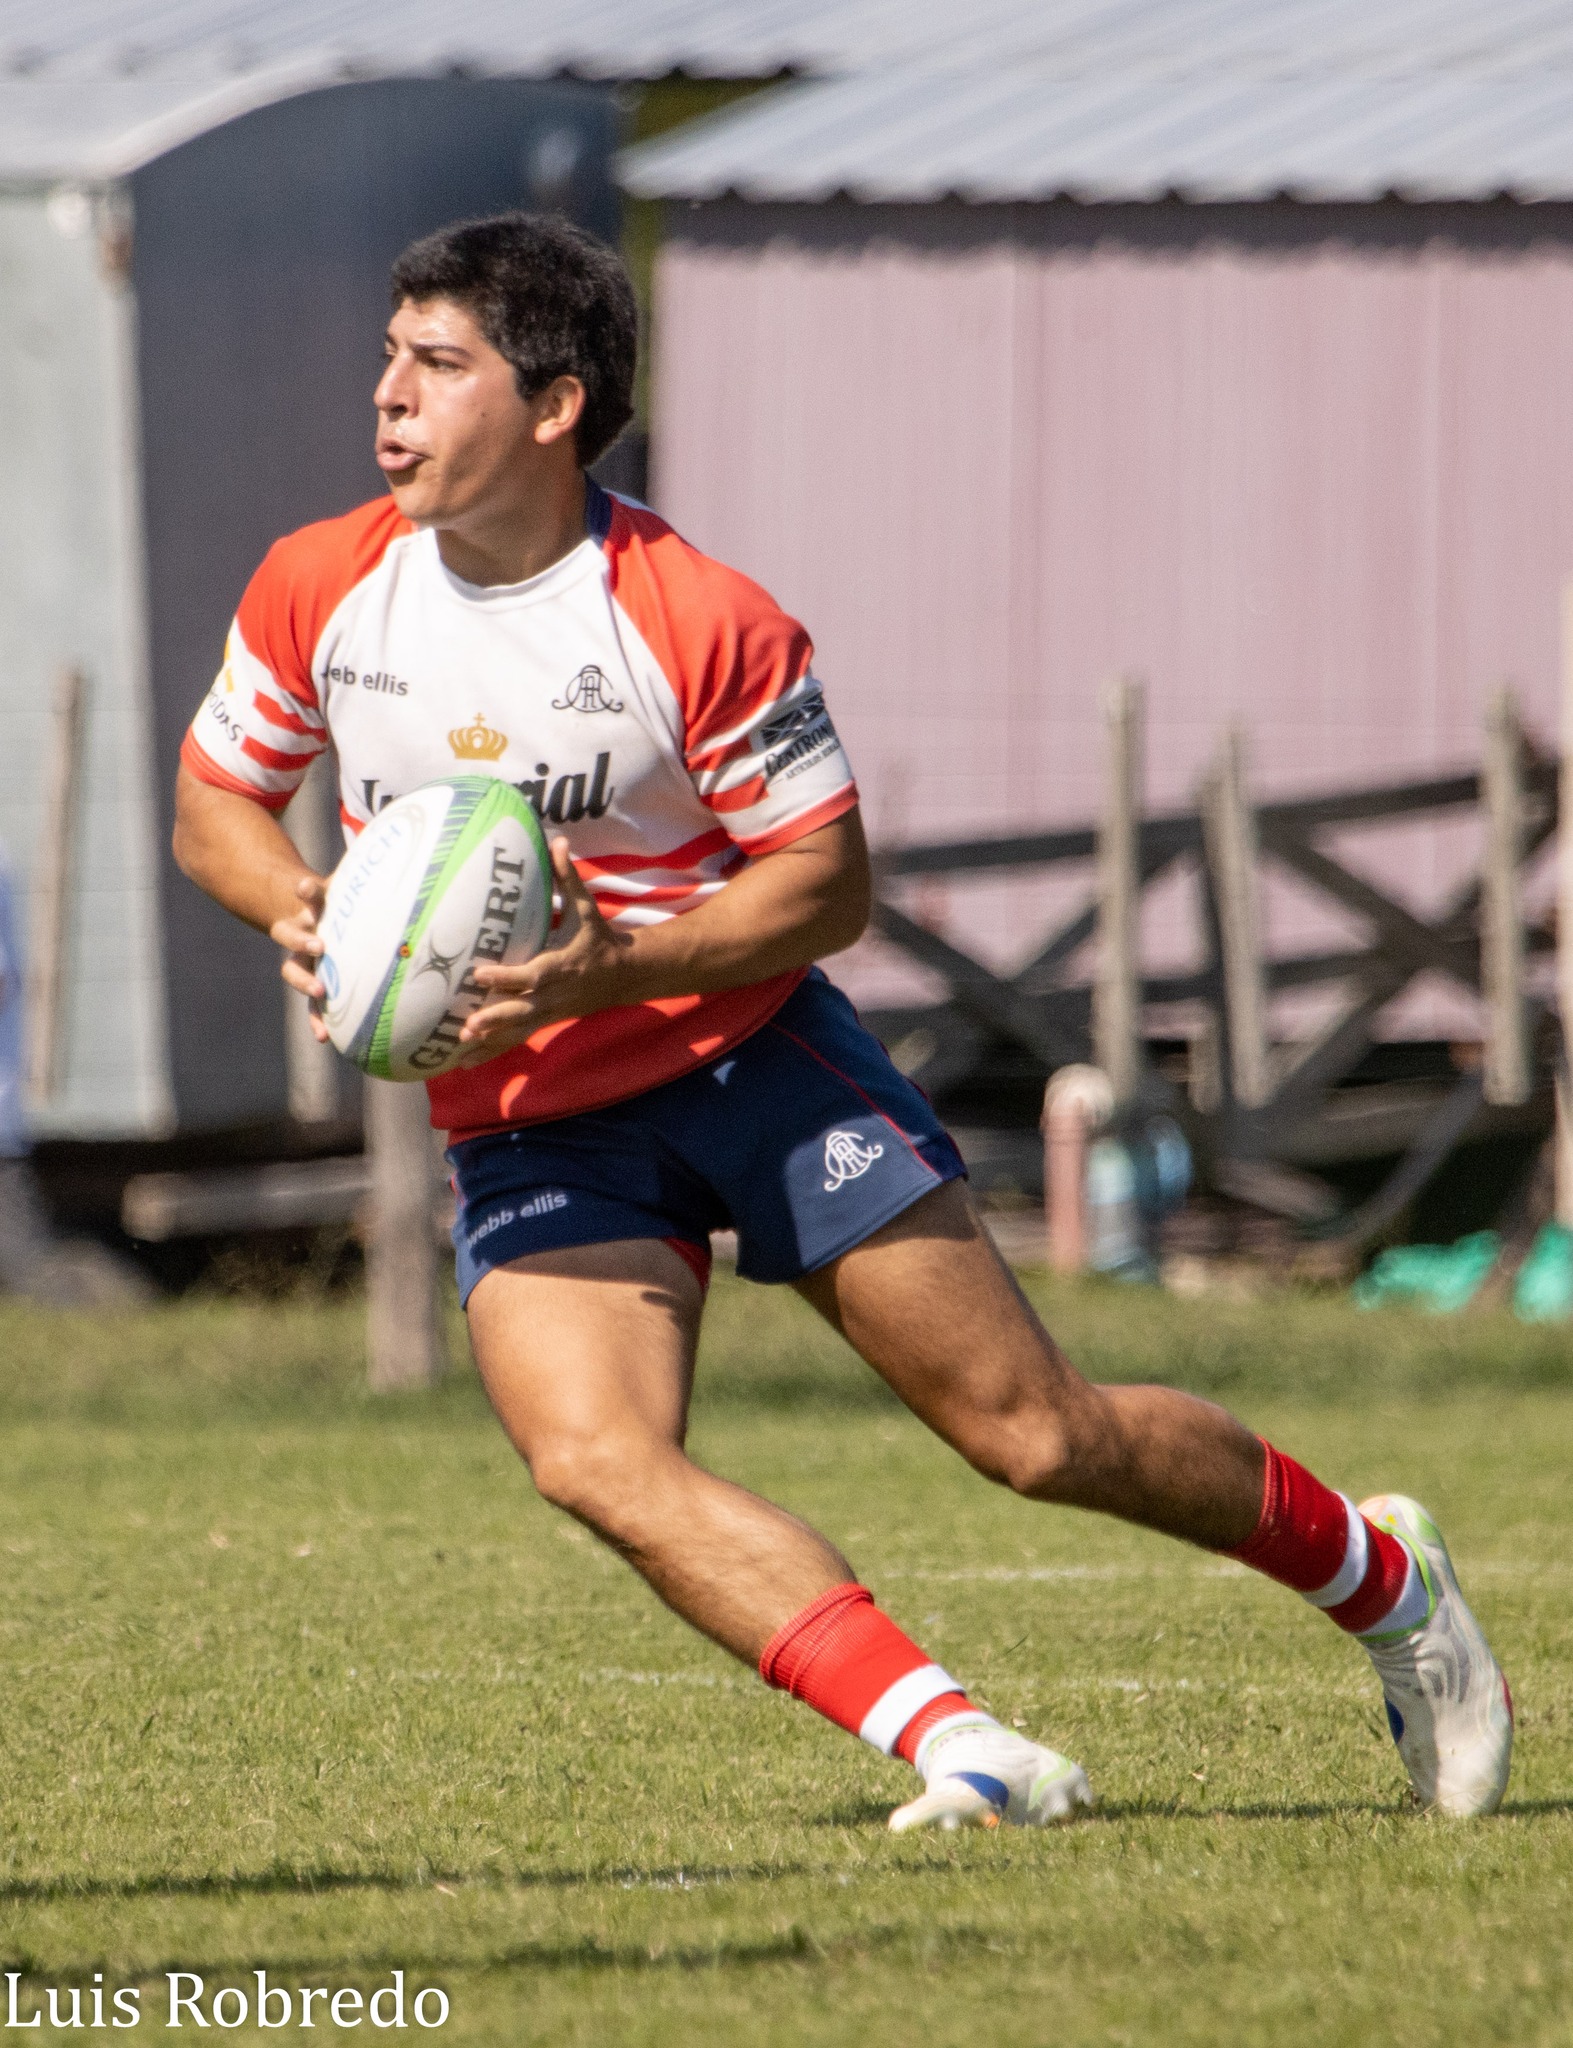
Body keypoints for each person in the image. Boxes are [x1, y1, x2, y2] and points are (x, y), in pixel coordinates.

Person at [173, 212, 1512, 1829]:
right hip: (530, 1118)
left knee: (1033, 1434)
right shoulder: (322, 584)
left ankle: (1379, 1577)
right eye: (388, 357)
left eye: (436, 363)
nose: (387, 394)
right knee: (592, 1456)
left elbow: (824, 888)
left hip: (752, 1068)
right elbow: (214, 803)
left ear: (554, 403)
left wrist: (615, 965)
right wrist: (306, 914)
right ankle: (963, 1748)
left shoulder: (694, 617)